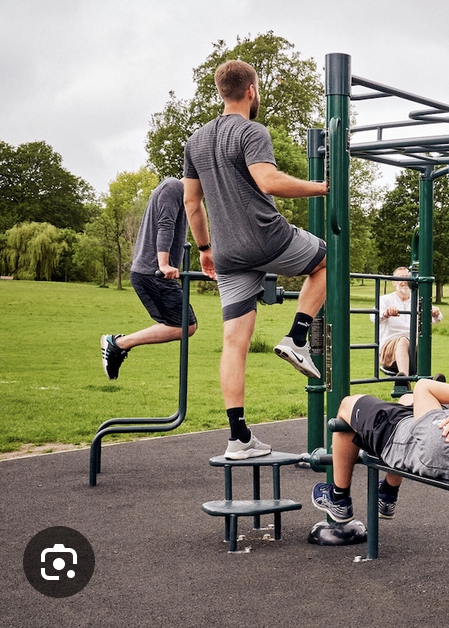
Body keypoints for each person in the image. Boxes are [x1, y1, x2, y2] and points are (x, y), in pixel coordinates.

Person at [182, 59, 329, 460]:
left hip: (227, 252)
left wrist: (205, 249)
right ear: (251, 91)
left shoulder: (195, 140)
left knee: (234, 342)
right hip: (265, 237)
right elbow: (268, 182)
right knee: (328, 261)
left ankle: (238, 438)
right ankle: (297, 337)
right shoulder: (251, 130)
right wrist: (321, 187)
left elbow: (192, 203)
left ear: (220, 91)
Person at [311, 379, 449, 522]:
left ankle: (338, 499)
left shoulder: (441, 443)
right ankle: (388, 494)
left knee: (347, 406)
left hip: (393, 435)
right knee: (406, 398)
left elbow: (425, 386)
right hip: (425, 429)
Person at [101, 177, 198, 380]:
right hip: (153, 273)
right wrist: (163, 264)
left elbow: (195, 216)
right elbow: (166, 224)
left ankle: (118, 344)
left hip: (152, 273)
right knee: (185, 325)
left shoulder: (180, 191)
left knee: (185, 325)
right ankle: (118, 344)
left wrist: (206, 251)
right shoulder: (174, 188)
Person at [370, 267, 442, 377]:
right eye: (400, 278)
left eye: (407, 278)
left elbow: (437, 317)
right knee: (403, 340)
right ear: (394, 282)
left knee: (423, 341)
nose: (404, 281)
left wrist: (435, 313)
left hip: (412, 344)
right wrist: (386, 313)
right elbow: (374, 317)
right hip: (389, 348)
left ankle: (426, 380)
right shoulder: (386, 300)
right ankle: (405, 381)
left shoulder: (417, 300)